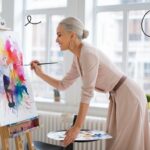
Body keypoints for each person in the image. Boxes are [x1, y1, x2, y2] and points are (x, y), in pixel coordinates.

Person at [31, 17, 150, 150]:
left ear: (72, 35)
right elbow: (63, 85)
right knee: (115, 143)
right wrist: (40, 73)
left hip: (129, 96)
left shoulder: (87, 54)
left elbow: (87, 92)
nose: (56, 39)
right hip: (118, 96)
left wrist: (77, 127)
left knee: (126, 144)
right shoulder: (78, 57)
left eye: (59, 35)